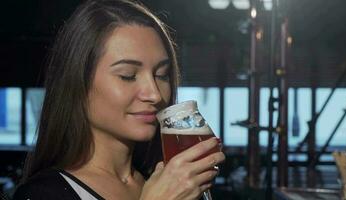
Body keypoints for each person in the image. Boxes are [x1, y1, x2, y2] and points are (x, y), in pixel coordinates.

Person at [13, 0, 225, 199]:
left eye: (161, 75)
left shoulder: (169, 183)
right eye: (127, 75)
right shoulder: (44, 193)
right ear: (78, 82)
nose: (155, 94)